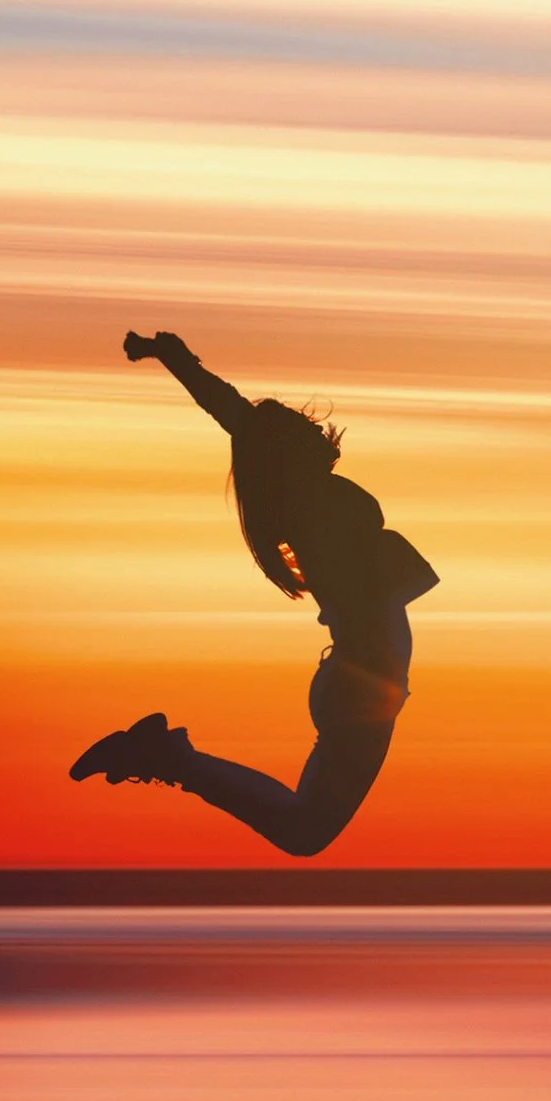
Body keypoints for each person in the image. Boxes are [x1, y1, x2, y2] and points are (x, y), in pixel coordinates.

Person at [71, 328, 438, 856]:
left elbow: (235, 414)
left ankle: (167, 758)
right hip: (365, 680)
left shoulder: (299, 495)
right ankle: (167, 759)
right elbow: (240, 421)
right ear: (284, 451)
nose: (308, 424)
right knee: (303, 831)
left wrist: (176, 359)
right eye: (294, 425)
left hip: (359, 679)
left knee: (302, 826)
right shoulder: (307, 503)